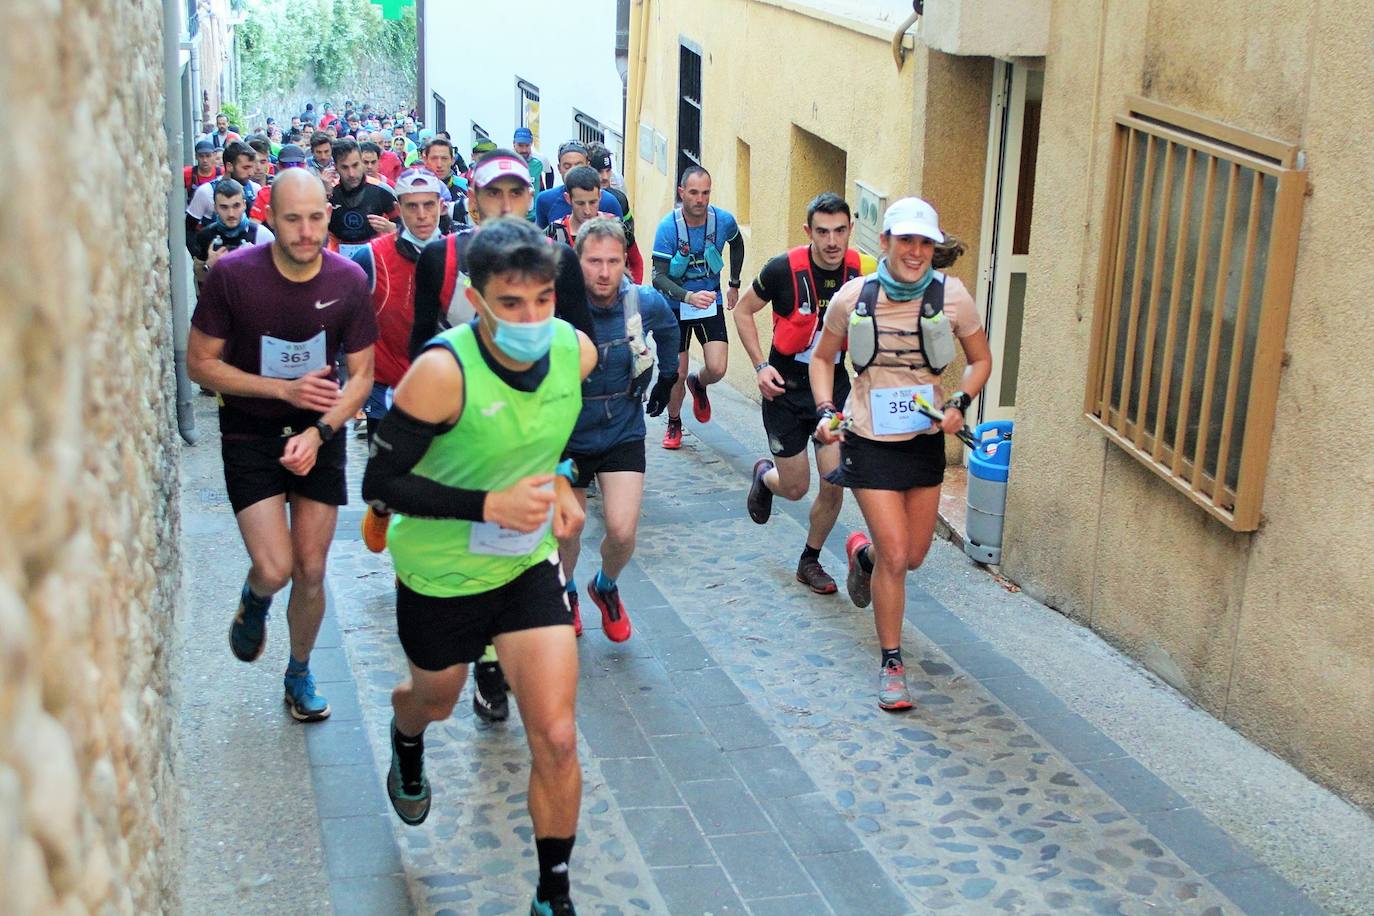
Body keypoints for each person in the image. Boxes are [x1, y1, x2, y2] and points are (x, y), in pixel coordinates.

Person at [361, 218, 594, 916]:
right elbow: (381, 483)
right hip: (439, 575)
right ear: (475, 298)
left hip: (524, 569)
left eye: (544, 300)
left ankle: (553, 894)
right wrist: (484, 504)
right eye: (512, 303)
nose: (531, 319)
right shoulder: (441, 373)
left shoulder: (574, 351)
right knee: (436, 698)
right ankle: (407, 736)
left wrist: (561, 480)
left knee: (555, 735)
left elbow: (553, 433)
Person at [187, 169, 378, 721]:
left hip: (321, 433)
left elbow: (361, 377)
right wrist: (282, 390)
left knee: (312, 569)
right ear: (270, 218)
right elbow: (201, 363)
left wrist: (320, 432)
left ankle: (298, 672)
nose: (306, 231)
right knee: (275, 568)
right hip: (250, 432)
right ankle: (254, 599)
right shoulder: (234, 277)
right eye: (292, 219)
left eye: (316, 217)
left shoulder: (346, 282)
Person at [810, 197, 991, 711]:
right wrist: (827, 410)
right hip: (867, 437)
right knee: (895, 554)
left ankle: (859, 555)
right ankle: (892, 664)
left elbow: (980, 361)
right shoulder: (853, 297)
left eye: (925, 243)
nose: (915, 252)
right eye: (906, 240)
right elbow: (823, 359)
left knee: (910, 556)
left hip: (923, 438)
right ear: (885, 241)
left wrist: (959, 402)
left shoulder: (952, 297)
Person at [734, 192, 874, 594]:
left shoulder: (864, 271)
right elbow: (743, 311)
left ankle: (809, 560)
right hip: (785, 388)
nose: (832, 242)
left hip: (833, 386)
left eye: (841, 231)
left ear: (850, 230)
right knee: (795, 487)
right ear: (808, 232)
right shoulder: (782, 269)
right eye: (823, 232)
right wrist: (760, 366)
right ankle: (766, 476)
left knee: (834, 480)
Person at [557, 217, 679, 642]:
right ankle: (567, 590)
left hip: (621, 429)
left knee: (623, 531)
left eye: (613, 261)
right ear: (578, 260)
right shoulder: (557, 303)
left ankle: (604, 586)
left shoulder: (642, 301)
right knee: (568, 527)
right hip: (567, 435)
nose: (605, 272)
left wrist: (668, 376)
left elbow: (668, 329)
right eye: (594, 261)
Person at [349, 168, 446, 445]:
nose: (422, 214)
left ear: (441, 205)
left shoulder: (457, 252)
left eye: (429, 205)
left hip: (442, 390)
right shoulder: (370, 256)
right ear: (398, 209)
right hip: (386, 392)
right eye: (412, 206)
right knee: (386, 483)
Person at [650, 166, 744, 449]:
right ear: (682, 193)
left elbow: (737, 244)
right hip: (675, 306)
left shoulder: (722, 220)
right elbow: (658, 277)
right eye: (693, 193)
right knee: (677, 371)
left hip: (709, 302)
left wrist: (734, 283)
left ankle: (699, 384)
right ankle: (674, 422)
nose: (700, 199)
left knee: (717, 367)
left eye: (705, 193)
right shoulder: (668, 227)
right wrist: (687, 297)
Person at [187, 177, 274, 290]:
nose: (231, 213)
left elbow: (274, 282)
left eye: (236, 206)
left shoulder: (262, 235)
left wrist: (255, 263)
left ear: (244, 205)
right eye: (224, 207)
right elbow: (199, 285)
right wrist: (209, 266)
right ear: (215, 208)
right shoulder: (205, 236)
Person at [325, 137, 399, 258]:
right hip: (337, 256)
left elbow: (406, 229)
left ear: (362, 162)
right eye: (344, 167)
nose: (351, 173)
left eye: (355, 165)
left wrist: (391, 227)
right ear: (335, 167)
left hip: (374, 255)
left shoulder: (382, 190)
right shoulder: (329, 191)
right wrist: (324, 195)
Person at [585, 143, 643, 283]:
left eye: (608, 170)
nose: (605, 177)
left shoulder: (619, 195)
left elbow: (630, 245)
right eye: (599, 171)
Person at [533, 142, 623, 228]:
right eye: (567, 166)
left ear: (588, 165)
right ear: (559, 168)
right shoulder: (545, 200)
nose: (573, 171)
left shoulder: (610, 202)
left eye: (592, 202)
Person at [186, 139, 259, 237]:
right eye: (245, 168)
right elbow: (188, 230)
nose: (251, 173)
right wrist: (202, 252)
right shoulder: (206, 192)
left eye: (252, 167)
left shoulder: (254, 190)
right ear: (229, 166)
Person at [543, 167, 614, 249]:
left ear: (600, 196)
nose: (587, 211)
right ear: (568, 199)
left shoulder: (617, 227)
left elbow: (631, 260)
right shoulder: (553, 233)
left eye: (592, 202)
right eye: (580, 203)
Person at [513, 126, 553, 192]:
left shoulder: (541, 159)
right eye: (520, 145)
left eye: (527, 145)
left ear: (531, 144)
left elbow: (549, 172)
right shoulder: (507, 159)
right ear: (514, 144)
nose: (524, 150)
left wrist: (548, 192)